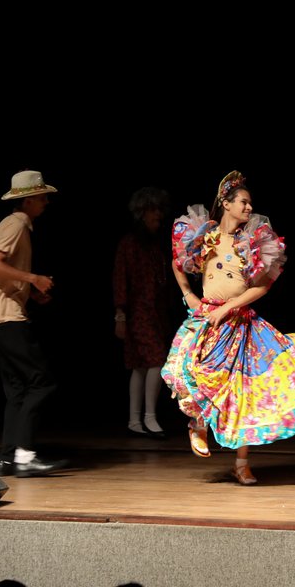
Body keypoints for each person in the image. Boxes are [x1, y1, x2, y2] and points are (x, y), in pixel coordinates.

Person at [163, 170, 295, 485]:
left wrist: (228, 307)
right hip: (207, 318)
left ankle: (242, 463)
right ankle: (198, 424)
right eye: (243, 202)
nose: (249, 208)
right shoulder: (204, 235)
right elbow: (177, 262)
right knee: (187, 371)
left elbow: (262, 286)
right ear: (226, 203)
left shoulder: (253, 241)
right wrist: (188, 295)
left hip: (238, 323)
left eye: (250, 203)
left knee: (245, 393)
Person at [0, 170, 68, 478]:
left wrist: (31, 292)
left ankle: (7, 459)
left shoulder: (18, 225)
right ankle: (25, 456)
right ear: (28, 200)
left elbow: (2, 273)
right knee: (41, 382)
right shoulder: (15, 224)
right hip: (6, 320)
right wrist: (33, 278)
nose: (46, 202)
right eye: (42, 197)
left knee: (18, 390)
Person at [114, 187, 176, 438]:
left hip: (156, 312)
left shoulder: (155, 245)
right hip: (137, 312)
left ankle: (134, 420)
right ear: (141, 213)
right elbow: (120, 280)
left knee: (141, 366)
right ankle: (148, 417)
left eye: (159, 211)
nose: (157, 216)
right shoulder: (129, 244)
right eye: (152, 211)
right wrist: (120, 315)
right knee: (154, 361)